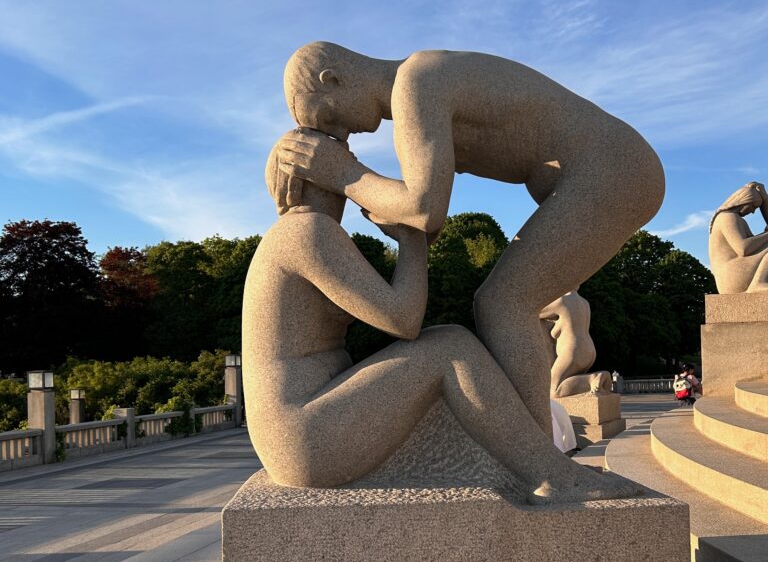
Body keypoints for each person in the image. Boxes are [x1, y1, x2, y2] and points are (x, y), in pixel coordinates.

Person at [273, 43, 665, 435]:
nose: (339, 133)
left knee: (504, 304)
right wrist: (386, 205)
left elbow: (424, 209)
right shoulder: (419, 87)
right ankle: (535, 448)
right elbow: (427, 220)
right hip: (602, 170)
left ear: (334, 79)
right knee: (506, 303)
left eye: (327, 117)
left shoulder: (415, 83)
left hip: (611, 169)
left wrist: (343, 173)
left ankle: (539, 454)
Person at [241, 131, 635, 502]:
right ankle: (553, 475)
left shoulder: (296, 235)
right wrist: (412, 242)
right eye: (341, 164)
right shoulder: (308, 231)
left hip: (300, 433)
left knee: (446, 355)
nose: (353, 180)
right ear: (310, 175)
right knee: (450, 346)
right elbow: (403, 320)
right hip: (303, 437)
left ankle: (538, 464)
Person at [708, 183, 768, 293]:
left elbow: (754, 246)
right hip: (732, 275)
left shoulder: (732, 218)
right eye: (753, 206)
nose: (753, 211)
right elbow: (743, 248)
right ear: (744, 201)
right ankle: (759, 282)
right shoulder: (728, 217)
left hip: (731, 275)